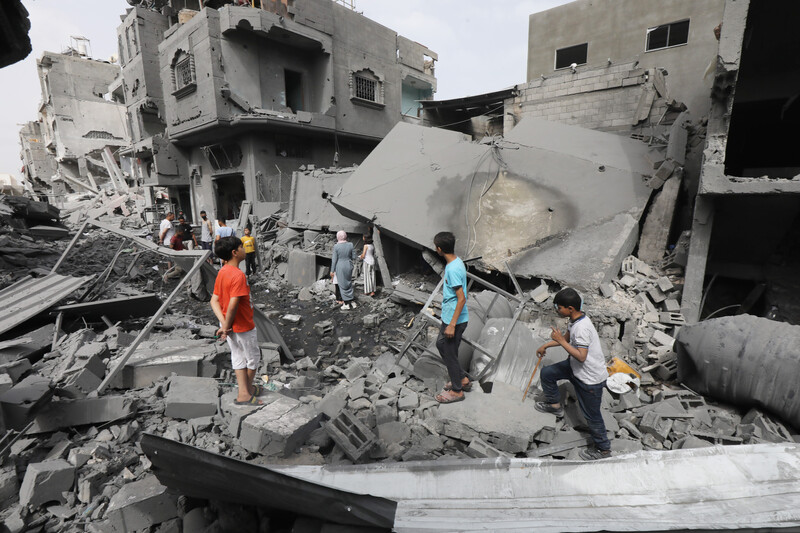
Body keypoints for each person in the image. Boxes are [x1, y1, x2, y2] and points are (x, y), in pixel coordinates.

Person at [535, 287, 612, 461]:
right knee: (548, 373)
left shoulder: (582, 328)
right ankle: (555, 407)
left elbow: (582, 356)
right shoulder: (574, 319)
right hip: (574, 367)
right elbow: (567, 340)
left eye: (559, 307)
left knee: (592, 415)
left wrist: (560, 341)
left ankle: (603, 449)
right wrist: (546, 345)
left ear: (570, 308)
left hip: (589, 378)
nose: (557, 310)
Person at [210, 236, 262, 406]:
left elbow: (214, 300)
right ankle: (244, 393)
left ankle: (246, 391)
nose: (244, 248)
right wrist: (226, 326)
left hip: (229, 325)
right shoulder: (238, 275)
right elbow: (233, 304)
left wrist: (224, 324)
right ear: (235, 252)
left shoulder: (222, 271)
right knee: (253, 358)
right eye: (241, 246)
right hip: (242, 325)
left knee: (238, 357)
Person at [433, 231, 471, 404]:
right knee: (441, 345)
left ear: (439, 249)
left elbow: (462, 298)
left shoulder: (454, 269)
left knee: (450, 354)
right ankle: (462, 378)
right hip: (449, 316)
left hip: (454, 320)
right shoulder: (455, 262)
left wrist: (452, 324)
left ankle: (457, 390)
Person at [330, 230, 357, 310]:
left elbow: (334, 260)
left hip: (340, 265)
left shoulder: (336, 246)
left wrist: (332, 270)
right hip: (349, 264)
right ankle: (351, 300)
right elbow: (354, 257)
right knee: (348, 282)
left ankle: (346, 304)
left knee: (342, 284)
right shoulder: (350, 244)